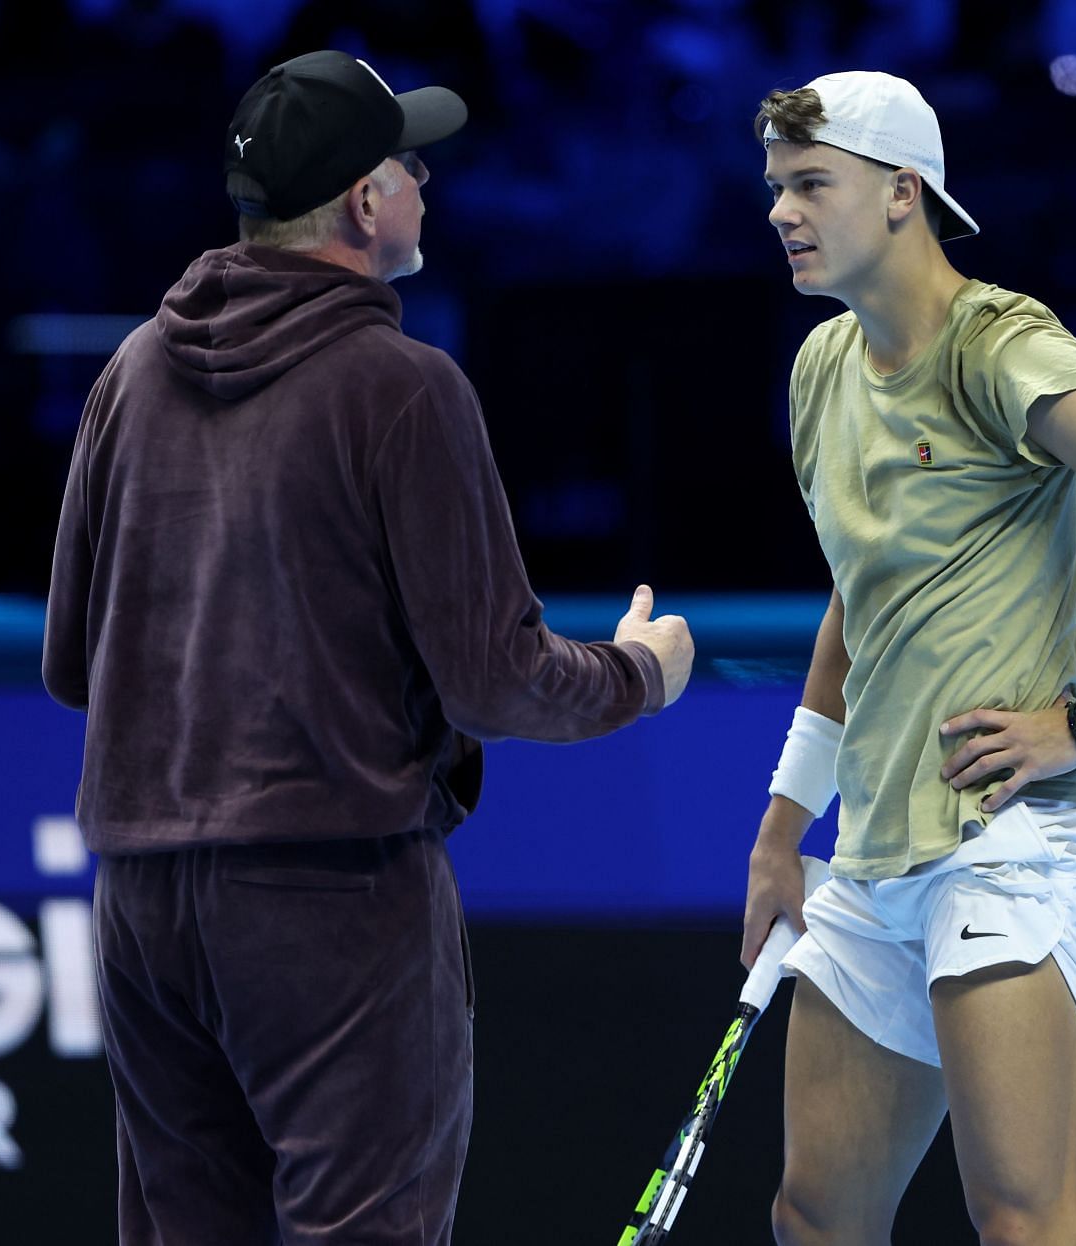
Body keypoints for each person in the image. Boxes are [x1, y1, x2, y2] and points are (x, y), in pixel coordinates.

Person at [42, 49, 694, 1245]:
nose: (426, 180)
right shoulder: (403, 389)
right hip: (331, 893)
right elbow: (499, 679)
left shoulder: (129, 372)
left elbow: (72, 662)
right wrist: (641, 673)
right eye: (410, 161)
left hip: (140, 898)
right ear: (362, 203)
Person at [739, 72, 1076, 1245]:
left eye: (812, 185)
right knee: (815, 1214)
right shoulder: (820, 370)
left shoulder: (1002, 347)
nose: (782, 210)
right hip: (874, 853)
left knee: (1024, 1218)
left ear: (901, 193)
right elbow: (858, 603)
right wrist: (785, 829)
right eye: (777, 187)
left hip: (1007, 847)